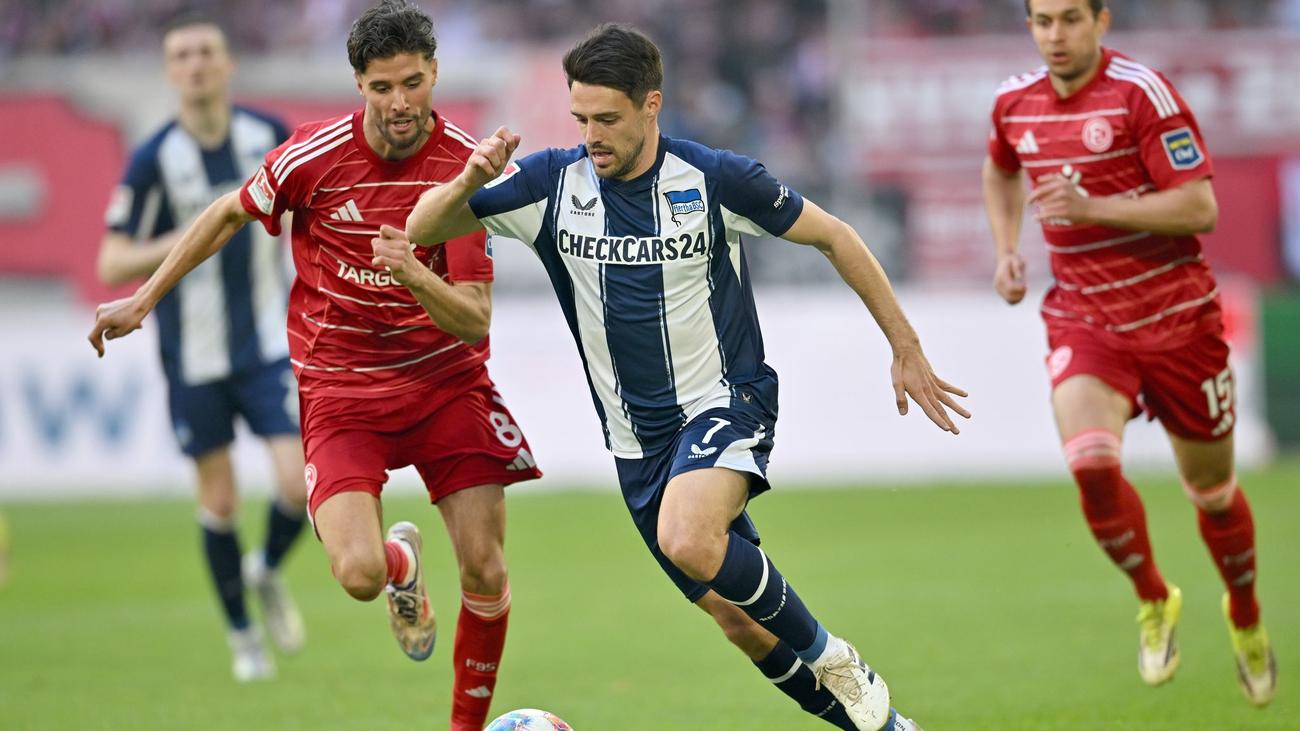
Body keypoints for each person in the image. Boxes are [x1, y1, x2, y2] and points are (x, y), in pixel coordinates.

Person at [404, 23, 968, 731]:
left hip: (725, 400)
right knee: (740, 622)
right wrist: (470, 179)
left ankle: (834, 656)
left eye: (607, 119)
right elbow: (422, 228)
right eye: (581, 118)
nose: (592, 136)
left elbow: (835, 234)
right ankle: (887, 727)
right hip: (636, 446)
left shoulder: (713, 179)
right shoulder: (550, 184)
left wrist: (905, 345)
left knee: (690, 537)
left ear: (652, 105)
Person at [89, 2, 541, 727]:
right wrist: (143, 299)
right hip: (342, 388)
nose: (400, 103)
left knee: (486, 568)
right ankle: (400, 566)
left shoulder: (464, 170)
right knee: (358, 574)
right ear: (359, 83)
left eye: (413, 83)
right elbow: (227, 213)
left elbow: (474, 317)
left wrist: (411, 273)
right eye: (383, 87)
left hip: (445, 382)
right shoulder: (314, 156)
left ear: (434, 73)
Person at [981, 0, 1276, 706]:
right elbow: (1000, 169)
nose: (1057, 35)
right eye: (1043, 21)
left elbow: (1199, 207)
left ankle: (1244, 612)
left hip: (1179, 322)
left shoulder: (1143, 95)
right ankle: (1153, 596)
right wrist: (1006, 249)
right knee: (1090, 463)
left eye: (1070, 19)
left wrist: (1092, 208)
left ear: (1101, 21)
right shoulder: (1013, 102)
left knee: (1212, 491)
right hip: (1086, 319)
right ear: (1030, 26)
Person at [96, 13, 308, 682]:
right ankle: (244, 638)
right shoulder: (154, 159)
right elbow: (111, 261)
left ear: (227, 64)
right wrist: (199, 229)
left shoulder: (267, 135)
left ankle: (264, 569)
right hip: (193, 354)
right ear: (170, 72)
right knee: (218, 500)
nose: (194, 64)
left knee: (298, 484)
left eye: (205, 52)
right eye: (182, 55)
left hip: (269, 343)